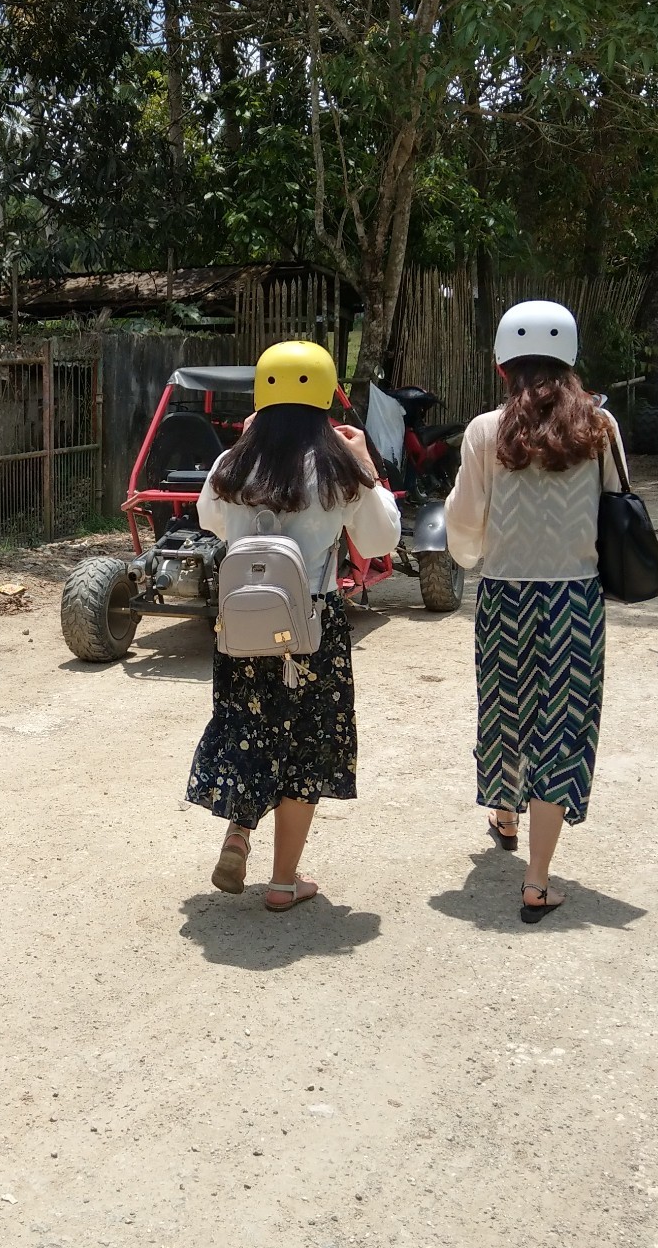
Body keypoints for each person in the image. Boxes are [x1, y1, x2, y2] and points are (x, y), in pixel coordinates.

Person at [192, 340, 399, 910]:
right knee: (305, 744)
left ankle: (238, 831)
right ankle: (284, 882)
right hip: (313, 623)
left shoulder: (232, 464)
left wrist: (241, 447)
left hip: (243, 623)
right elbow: (381, 541)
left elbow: (211, 522)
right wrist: (367, 467)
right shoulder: (337, 468)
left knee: (246, 727)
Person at [444, 301, 619, 924]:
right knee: (562, 728)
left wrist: (473, 558)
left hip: (505, 596)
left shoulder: (484, 431)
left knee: (506, 708)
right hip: (575, 598)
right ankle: (538, 881)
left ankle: (505, 811)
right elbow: (615, 506)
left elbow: (463, 520)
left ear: (501, 365)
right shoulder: (601, 427)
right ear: (571, 359)